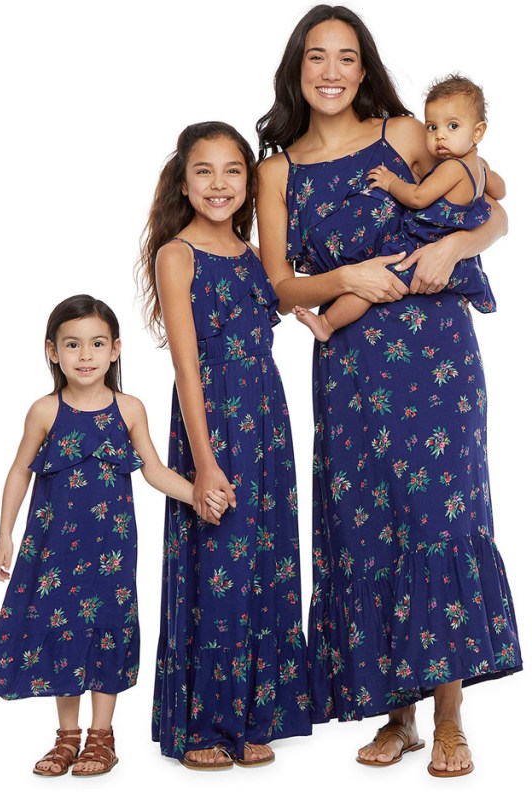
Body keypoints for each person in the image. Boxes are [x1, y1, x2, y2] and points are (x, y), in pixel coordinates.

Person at [255, 4, 521, 777]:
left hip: (436, 355)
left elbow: (493, 206)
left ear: (364, 68)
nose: (331, 71)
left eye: (346, 57)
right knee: (373, 525)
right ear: (297, 69)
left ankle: (448, 717)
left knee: (438, 518)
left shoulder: (408, 133)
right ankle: (396, 714)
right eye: (316, 57)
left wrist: (456, 246)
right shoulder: (278, 169)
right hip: (350, 363)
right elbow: (280, 285)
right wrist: (345, 278)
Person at [0, 294, 229, 777]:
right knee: (62, 631)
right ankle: (67, 737)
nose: (85, 355)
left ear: (115, 350)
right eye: (73, 345)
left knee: (106, 630)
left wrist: (199, 494)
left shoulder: (129, 409)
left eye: (97, 344)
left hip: (110, 552)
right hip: (53, 547)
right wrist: (4, 534)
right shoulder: (44, 411)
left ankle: (102, 736)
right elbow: (18, 472)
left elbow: (155, 470)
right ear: (52, 351)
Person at [139, 122, 311, 770]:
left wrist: (325, 313)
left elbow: (288, 299)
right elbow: (186, 365)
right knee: (218, 570)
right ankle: (206, 724)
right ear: (184, 182)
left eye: (233, 170)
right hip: (211, 420)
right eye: (204, 171)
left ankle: (254, 715)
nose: (219, 184)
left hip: (267, 417)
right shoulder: (177, 254)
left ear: (248, 180)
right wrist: (204, 462)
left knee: (265, 565)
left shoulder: (251, 251)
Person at [294, 73, 506, 340]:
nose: (440, 136)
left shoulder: (451, 168)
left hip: (420, 243)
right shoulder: (482, 167)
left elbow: (418, 198)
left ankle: (327, 323)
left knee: (373, 283)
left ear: (478, 131)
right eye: (432, 127)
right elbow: (500, 192)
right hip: (438, 251)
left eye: (452, 126)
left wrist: (391, 182)